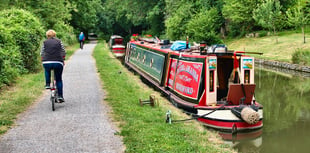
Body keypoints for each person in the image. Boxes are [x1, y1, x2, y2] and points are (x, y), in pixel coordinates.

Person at [41, 29, 66, 102]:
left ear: (47, 35)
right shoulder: (59, 41)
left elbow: (42, 52)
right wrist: (63, 58)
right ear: (54, 35)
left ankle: (48, 84)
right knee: (58, 79)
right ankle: (60, 96)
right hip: (58, 61)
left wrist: (43, 58)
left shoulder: (44, 42)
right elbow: (63, 51)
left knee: (47, 70)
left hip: (47, 61)